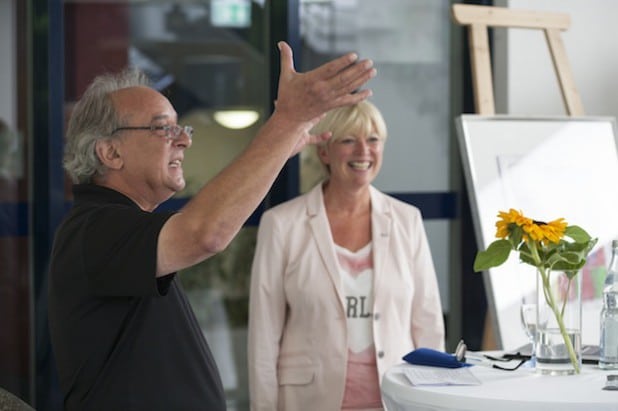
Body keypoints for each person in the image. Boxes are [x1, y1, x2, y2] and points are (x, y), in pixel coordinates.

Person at [47, 41, 375, 411]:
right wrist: (286, 122)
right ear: (110, 152)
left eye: (180, 127)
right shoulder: (94, 230)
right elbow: (206, 233)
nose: (185, 140)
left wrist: (283, 141)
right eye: (163, 129)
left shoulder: (120, 227)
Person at [247, 100, 445, 411]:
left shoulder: (408, 221)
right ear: (324, 151)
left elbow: (428, 324)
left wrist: (433, 401)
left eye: (373, 139)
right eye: (348, 140)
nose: (363, 151)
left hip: (395, 400)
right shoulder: (282, 224)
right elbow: (264, 335)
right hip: (309, 402)